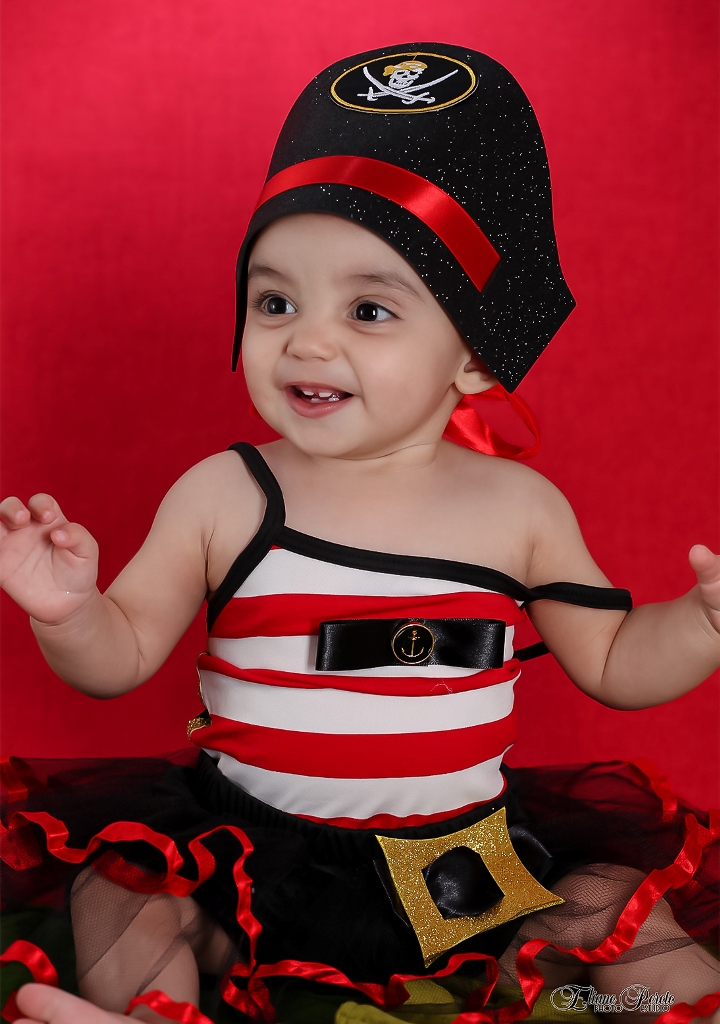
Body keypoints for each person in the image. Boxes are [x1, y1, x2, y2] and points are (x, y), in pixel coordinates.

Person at [1, 43, 719, 1024]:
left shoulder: (519, 508)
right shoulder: (227, 493)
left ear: (475, 356)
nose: (307, 338)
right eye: (275, 301)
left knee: (614, 907)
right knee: (119, 892)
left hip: (462, 870)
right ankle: (146, 1013)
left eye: (369, 308)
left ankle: (675, 1010)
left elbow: (618, 660)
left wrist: (700, 623)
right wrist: (69, 612)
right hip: (253, 862)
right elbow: (117, 657)